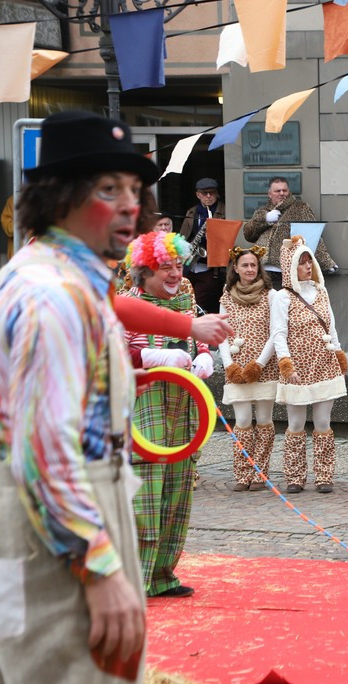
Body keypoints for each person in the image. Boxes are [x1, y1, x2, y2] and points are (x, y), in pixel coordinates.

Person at [0, 110, 153, 684]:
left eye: (133, 189)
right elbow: (48, 449)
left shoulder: (18, 276)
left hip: (5, 520)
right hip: (57, 529)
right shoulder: (53, 295)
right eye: (108, 189)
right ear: (61, 196)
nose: (129, 205)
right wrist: (99, 569)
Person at [124, 230, 215, 599]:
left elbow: (201, 339)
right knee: (144, 494)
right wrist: (148, 358)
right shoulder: (126, 305)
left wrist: (206, 355)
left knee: (177, 492)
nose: (175, 273)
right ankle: (133, 582)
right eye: (165, 267)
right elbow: (105, 352)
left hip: (183, 410)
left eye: (178, 265)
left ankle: (161, 575)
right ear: (143, 274)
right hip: (142, 410)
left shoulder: (187, 304)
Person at [272, 236, 348, 493]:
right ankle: (294, 476)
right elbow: (279, 334)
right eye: (301, 262)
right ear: (291, 267)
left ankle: (324, 475)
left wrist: (338, 352)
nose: (307, 266)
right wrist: (286, 364)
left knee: (323, 422)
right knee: (295, 425)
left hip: (324, 363)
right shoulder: (283, 297)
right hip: (298, 367)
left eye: (309, 261)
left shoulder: (321, 291)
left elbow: (331, 325)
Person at [220, 245, 279, 492]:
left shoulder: (270, 295)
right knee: (243, 419)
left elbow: (276, 333)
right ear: (236, 268)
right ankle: (242, 473)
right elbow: (221, 334)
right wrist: (229, 365)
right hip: (237, 367)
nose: (249, 269)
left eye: (253, 265)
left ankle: (260, 472)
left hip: (263, 368)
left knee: (264, 419)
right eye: (245, 265)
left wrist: (260, 363)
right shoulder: (226, 297)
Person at [243, 177, 336, 286]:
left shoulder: (301, 208)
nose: (281, 193)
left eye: (284, 190)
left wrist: (326, 262)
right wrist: (265, 219)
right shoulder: (262, 212)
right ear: (270, 194)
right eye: (277, 191)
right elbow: (248, 234)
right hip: (262, 270)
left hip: (286, 269)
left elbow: (313, 236)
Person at [179, 178, 226, 315]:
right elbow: (183, 236)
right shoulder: (192, 212)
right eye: (204, 193)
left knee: (197, 303)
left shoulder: (223, 211)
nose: (208, 196)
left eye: (212, 193)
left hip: (210, 268)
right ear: (198, 195)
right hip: (190, 266)